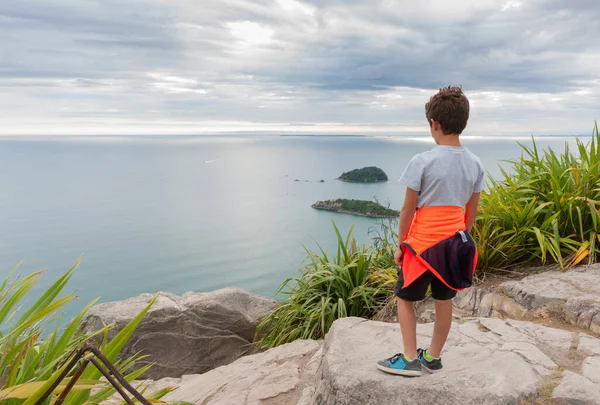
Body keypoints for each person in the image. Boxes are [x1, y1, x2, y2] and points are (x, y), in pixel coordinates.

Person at [376, 86, 485, 377]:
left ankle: (410, 359)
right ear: (463, 122)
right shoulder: (475, 163)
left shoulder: (422, 161)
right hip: (453, 244)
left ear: (434, 124)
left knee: (405, 299)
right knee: (444, 301)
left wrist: (402, 244)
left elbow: (407, 210)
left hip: (421, 246)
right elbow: (470, 212)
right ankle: (433, 357)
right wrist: (461, 239)